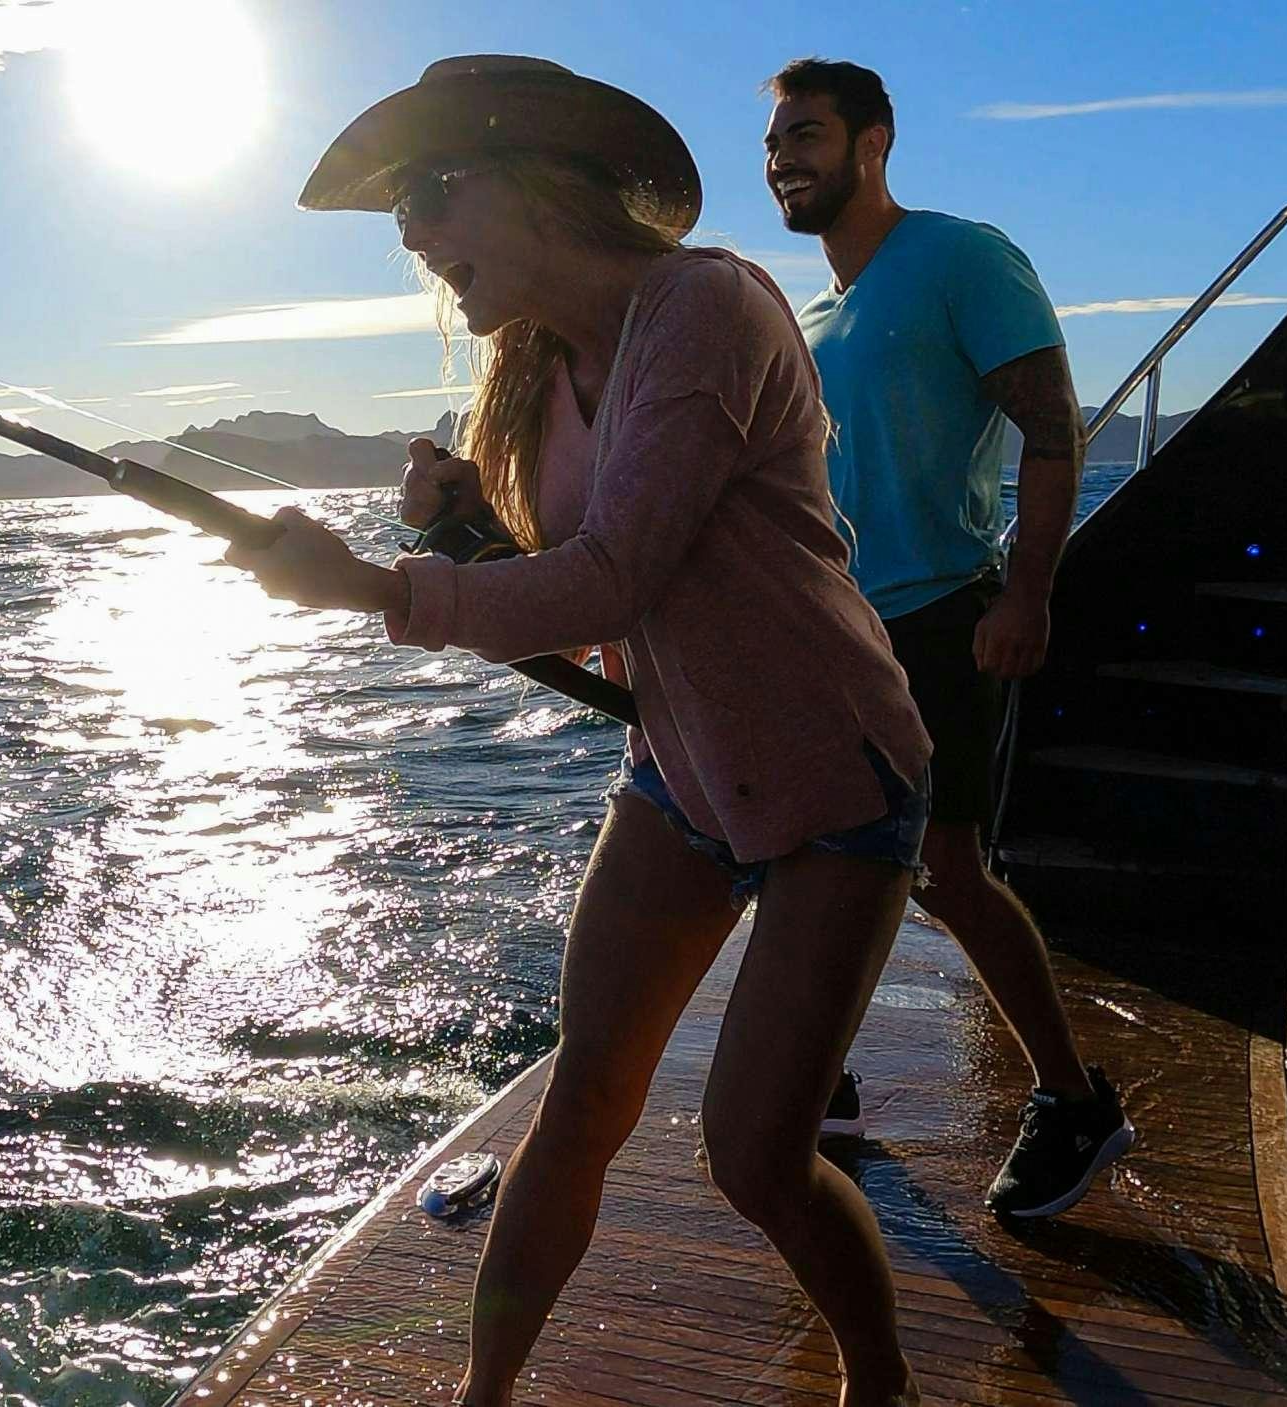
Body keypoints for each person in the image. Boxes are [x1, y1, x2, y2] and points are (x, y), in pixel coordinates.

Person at [228, 55, 934, 1407]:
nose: (413, 237)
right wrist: (458, 534)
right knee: (580, 1109)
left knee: (752, 1154)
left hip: (836, 772)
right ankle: (482, 1397)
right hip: (678, 775)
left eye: (433, 193)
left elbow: (618, 572)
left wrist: (380, 587)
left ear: (537, 183)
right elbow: (592, 612)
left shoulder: (708, 306)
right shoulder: (541, 377)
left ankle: (881, 1379)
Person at [761, 58, 1134, 1218]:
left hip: (941, 617)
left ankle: (1074, 1099)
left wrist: (1027, 594)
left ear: (873, 144)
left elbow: (1052, 429)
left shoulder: (959, 257)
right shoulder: (813, 313)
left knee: (954, 876)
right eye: (774, 143)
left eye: (808, 135)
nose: (784, 159)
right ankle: (822, 1082)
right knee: (807, 856)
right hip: (837, 630)